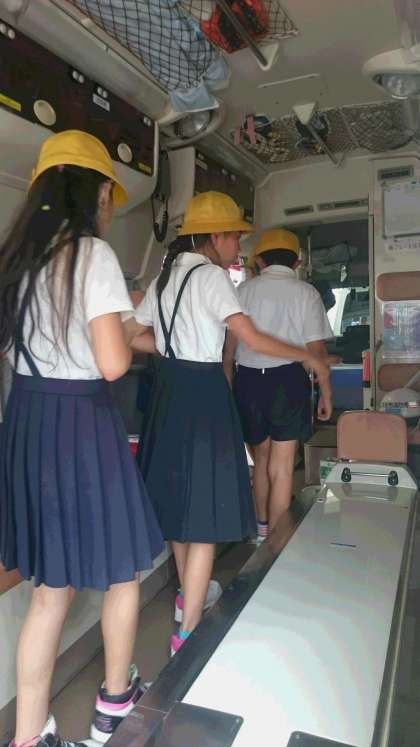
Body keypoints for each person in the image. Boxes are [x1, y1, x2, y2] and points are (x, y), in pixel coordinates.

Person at [0, 130, 164, 747]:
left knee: (50, 593)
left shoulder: (16, 260)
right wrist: (124, 324)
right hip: (82, 422)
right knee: (123, 572)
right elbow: (114, 363)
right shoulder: (91, 255)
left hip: (28, 419)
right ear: (95, 193)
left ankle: (28, 737)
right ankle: (114, 704)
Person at [126, 193, 332, 656]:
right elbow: (250, 337)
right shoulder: (211, 276)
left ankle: (188, 598)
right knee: (202, 513)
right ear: (215, 236)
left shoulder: (165, 278)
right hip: (203, 393)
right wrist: (309, 358)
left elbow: (133, 335)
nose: (239, 246)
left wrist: (172, 348)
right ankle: (187, 634)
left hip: (169, 392)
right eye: (236, 236)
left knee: (179, 506)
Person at [224, 228, 334, 543]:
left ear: (259, 260)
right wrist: (325, 393)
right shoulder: (306, 293)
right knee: (282, 467)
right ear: (297, 262)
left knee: (260, 460)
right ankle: (276, 542)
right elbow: (317, 353)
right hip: (288, 380)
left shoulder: (243, 290)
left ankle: (260, 533)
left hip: (247, 380)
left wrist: (229, 383)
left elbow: (229, 348)